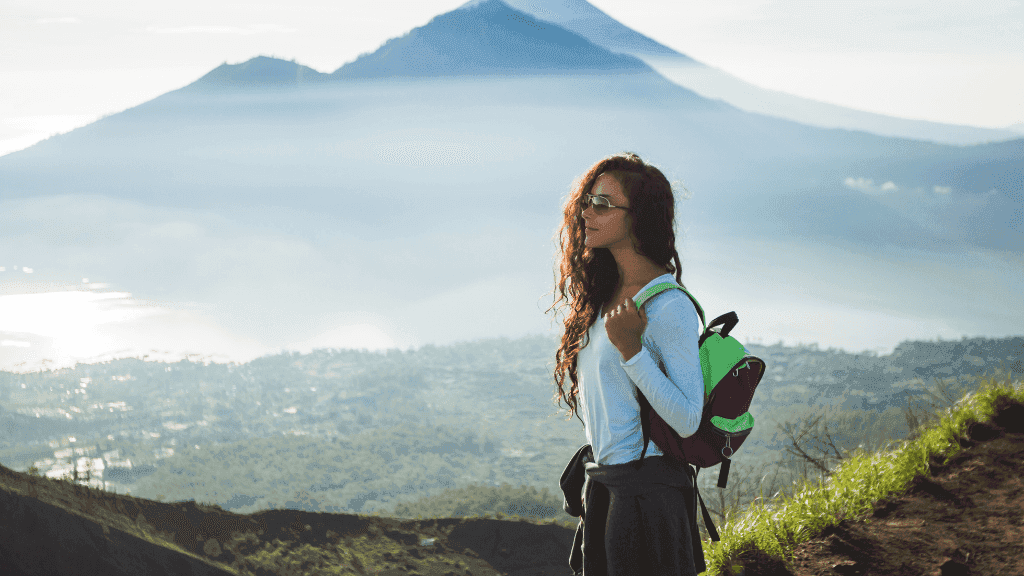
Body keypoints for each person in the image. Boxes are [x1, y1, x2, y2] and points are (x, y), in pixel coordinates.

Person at [548, 152, 705, 575]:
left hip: (647, 498)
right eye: (586, 201)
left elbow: (689, 418)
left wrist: (633, 352)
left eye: (602, 204)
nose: (585, 212)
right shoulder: (604, 296)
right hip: (609, 488)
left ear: (639, 218)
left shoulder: (669, 306)